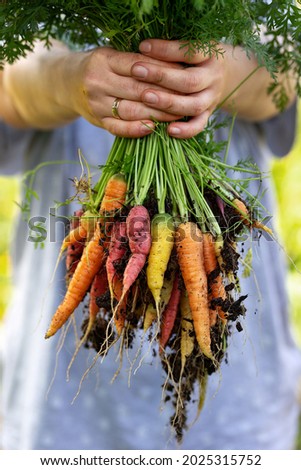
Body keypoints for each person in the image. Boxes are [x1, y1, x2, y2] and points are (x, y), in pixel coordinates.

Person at [0, 37, 300, 450]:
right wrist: (66, 79)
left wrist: (224, 74)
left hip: (240, 408)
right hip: (62, 415)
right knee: (112, 263)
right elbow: (9, 80)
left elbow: (286, 72)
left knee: (201, 299)